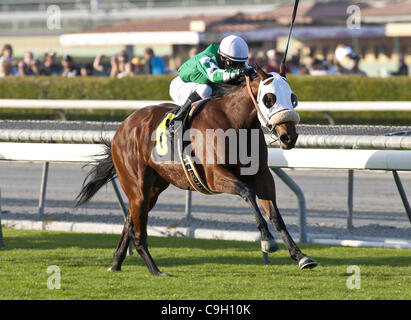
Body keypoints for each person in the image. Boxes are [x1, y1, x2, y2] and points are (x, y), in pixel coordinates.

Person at [168, 35, 254, 135]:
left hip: (202, 85)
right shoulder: (206, 58)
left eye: (239, 64)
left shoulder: (231, 56)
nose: (236, 67)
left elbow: (250, 71)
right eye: (233, 64)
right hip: (181, 86)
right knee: (205, 89)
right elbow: (214, 76)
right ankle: (176, 121)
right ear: (222, 57)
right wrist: (238, 72)